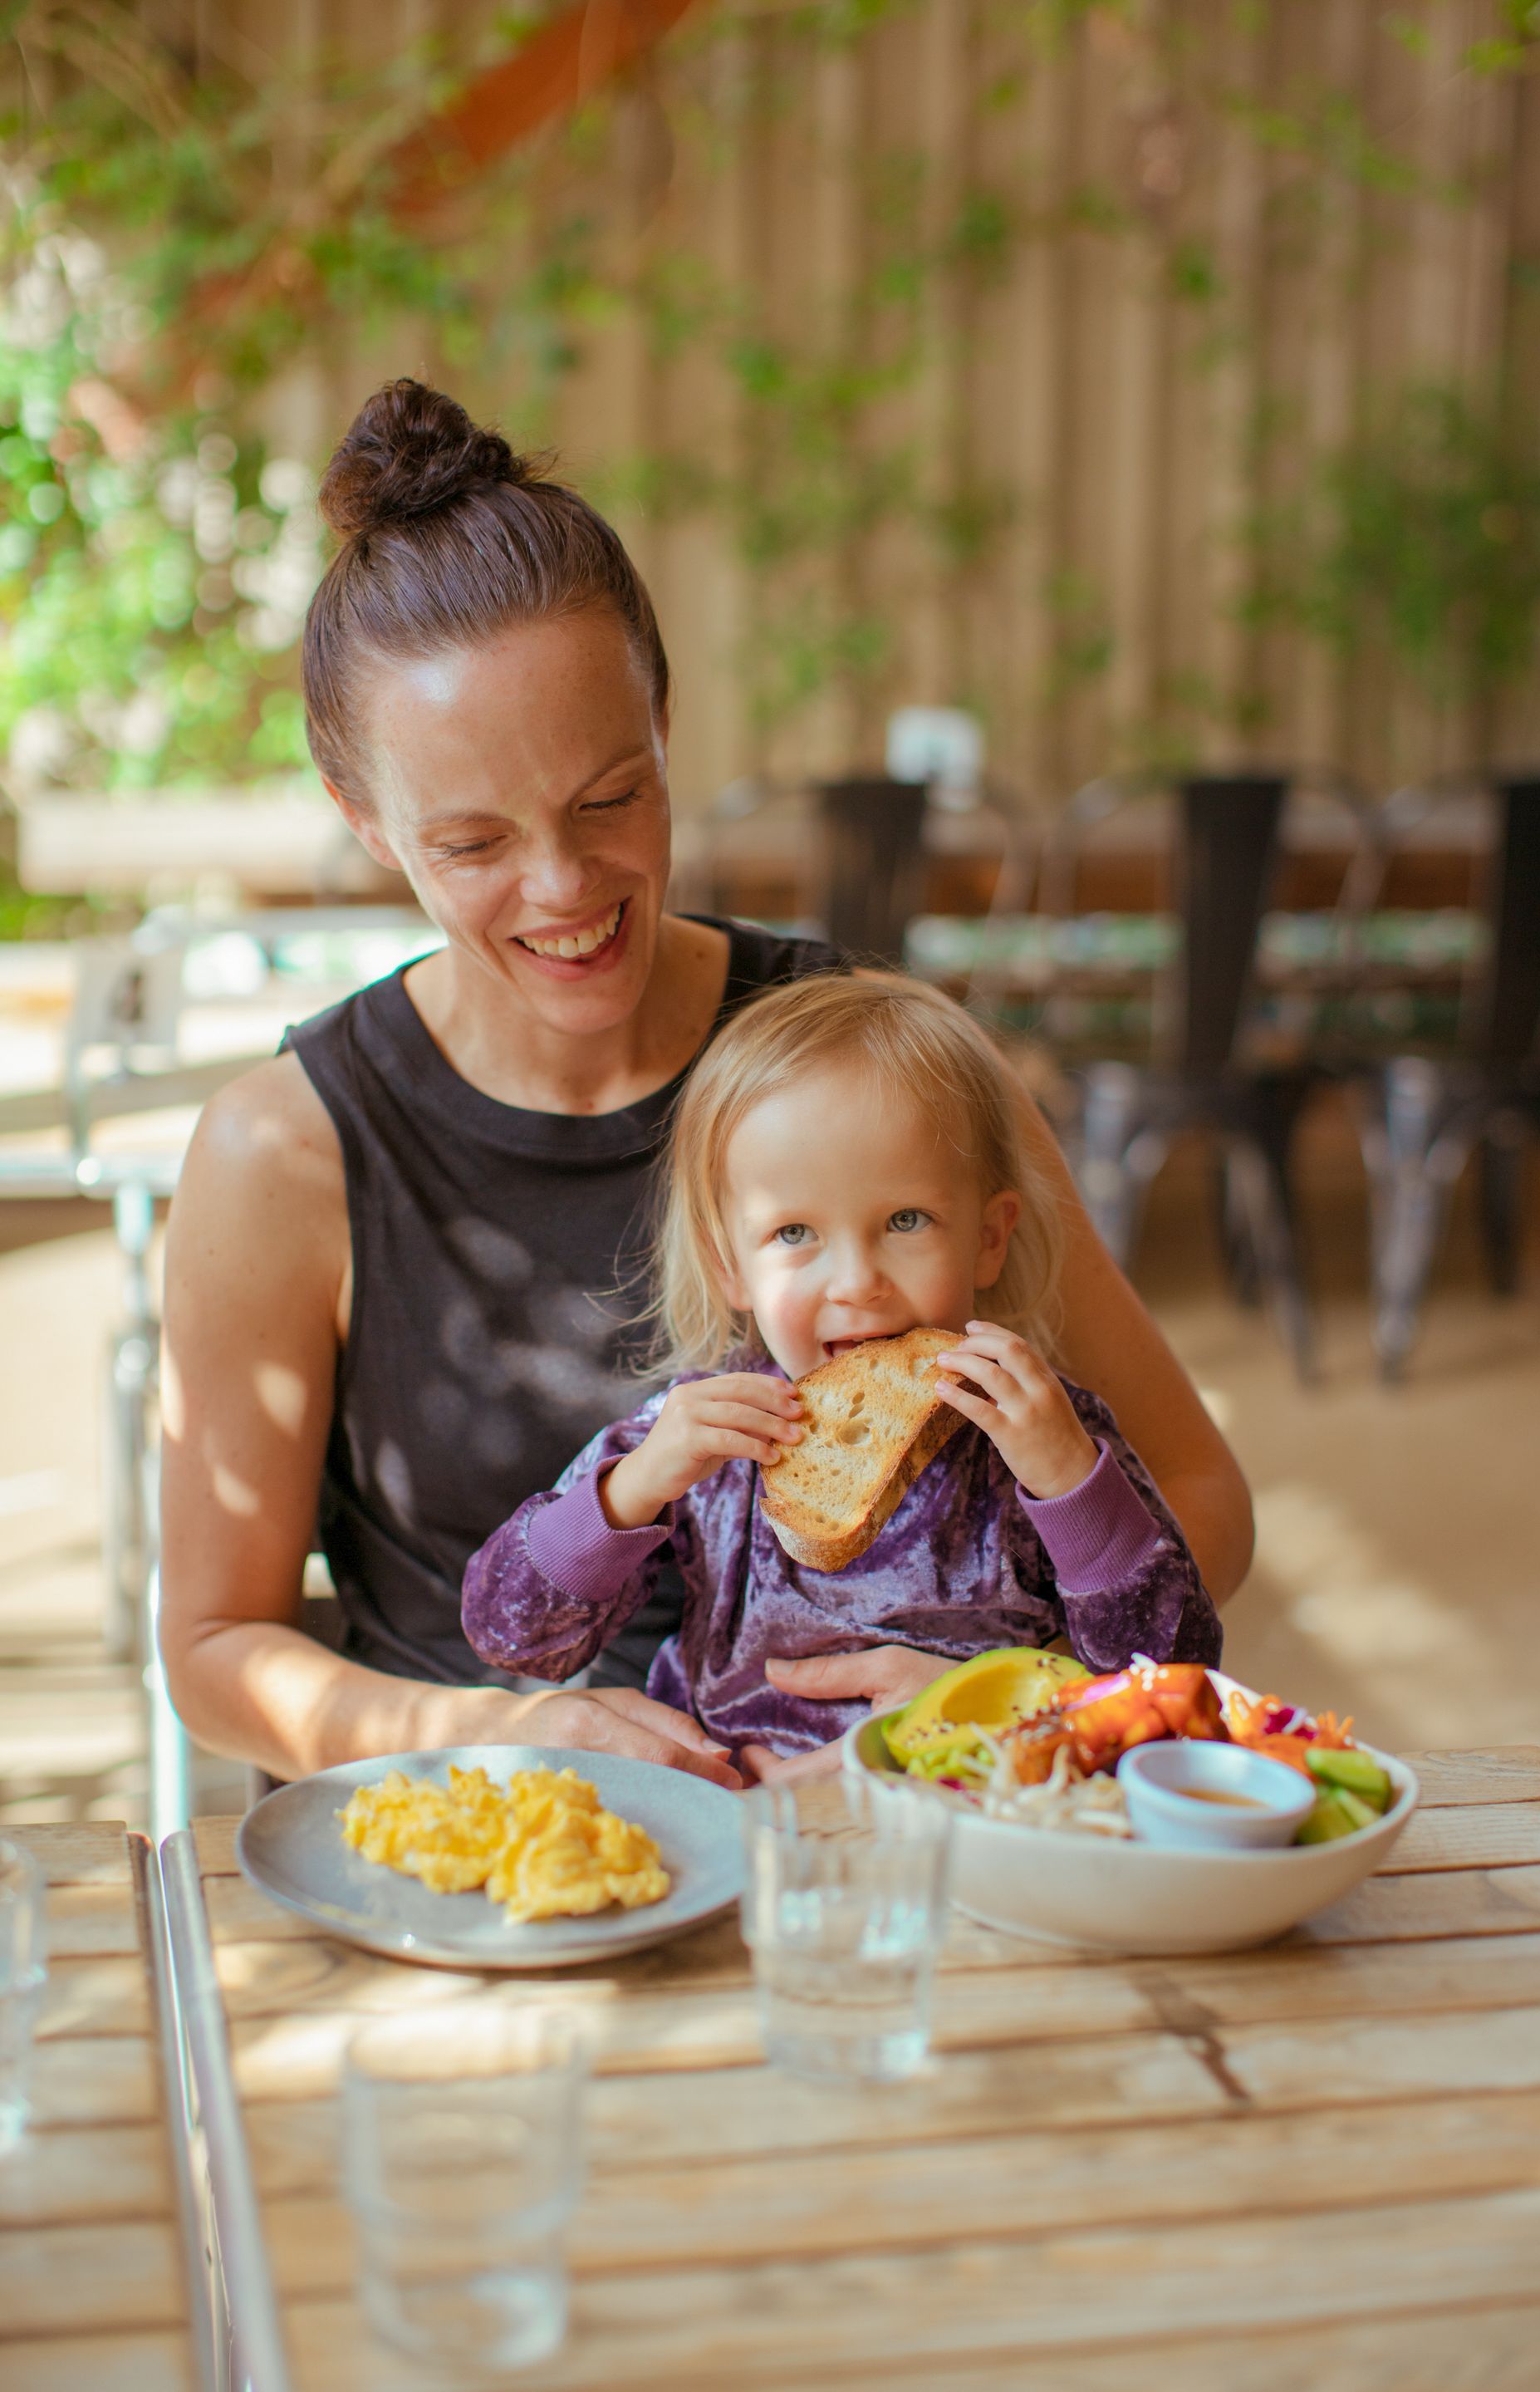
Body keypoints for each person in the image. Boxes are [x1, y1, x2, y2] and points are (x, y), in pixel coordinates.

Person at [159, 377, 1252, 1790]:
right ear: (362, 817)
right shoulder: (285, 1150)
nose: (564, 889)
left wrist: (1012, 1695)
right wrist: (498, 1727)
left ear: (667, 720)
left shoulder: (889, 1064)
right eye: (475, 842)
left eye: (612, 797)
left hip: (877, 1851)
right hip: (481, 1854)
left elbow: (1201, 1498)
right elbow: (211, 1646)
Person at [463, 974, 1220, 1761]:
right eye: (795, 1233)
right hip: (736, 1821)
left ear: (989, 1237)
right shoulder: (701, 1436)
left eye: (905, 1220)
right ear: (730, 1266)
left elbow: (1176, 1681)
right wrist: (632, 1488)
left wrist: (1071, 1485)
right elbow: (511, 1637)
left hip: (968, 1818)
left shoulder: (1048, 1433)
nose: (857, 1281)